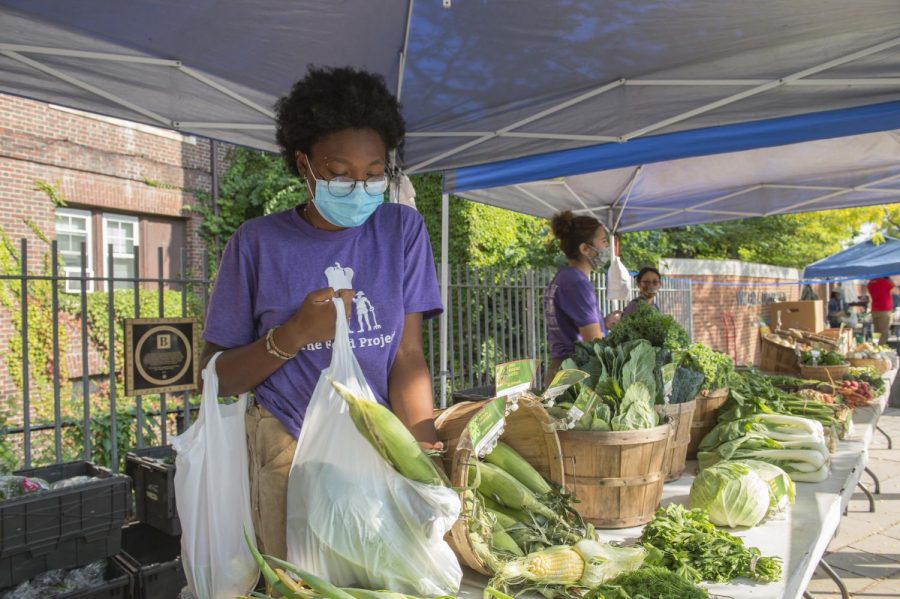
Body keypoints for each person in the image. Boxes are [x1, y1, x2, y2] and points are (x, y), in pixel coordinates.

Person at [198, 66, 443, 559]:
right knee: (301, 581)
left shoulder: (402, 231)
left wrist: (424, 457)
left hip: (379, 444)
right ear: (304, 164)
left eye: (374, 175)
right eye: (338, 173)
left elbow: (407, 356)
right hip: (287, 451)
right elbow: (217, 376)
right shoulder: (256, 243)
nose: (360, 187)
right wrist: (293, 335)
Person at [543, 210, 609, 382]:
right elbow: (593, 341)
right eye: (603, 241)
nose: (606, 247)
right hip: (574, 373)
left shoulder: (564, 277)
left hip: (563, 369)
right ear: (585, 248)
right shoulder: (576, 282)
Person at [867, 276, 895, 344]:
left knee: (876, 331)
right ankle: (880, 348)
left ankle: (875, 346)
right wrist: (890, 280)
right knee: (883, 332)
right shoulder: (885, 282)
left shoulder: (871, 282)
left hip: (874, 309)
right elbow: (895, 289)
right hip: (884, 309)